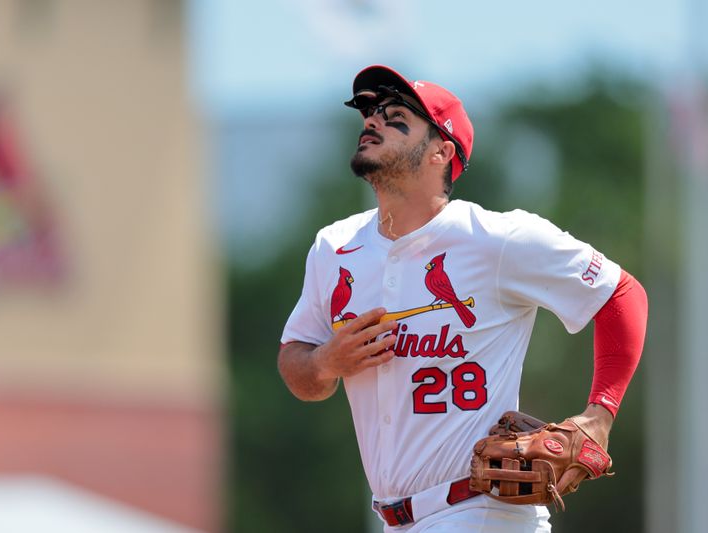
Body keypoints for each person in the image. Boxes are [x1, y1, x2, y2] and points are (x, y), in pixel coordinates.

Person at [277, 65, 647, 532]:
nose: (372, 121)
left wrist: (600, 414)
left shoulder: (497, 238)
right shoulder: (334, 247)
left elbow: (621, 292)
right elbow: (296, 365)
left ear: (440, 152)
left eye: (396, 117)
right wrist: (326, 362)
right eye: (370, 113)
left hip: (480, 511)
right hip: (395, 520)